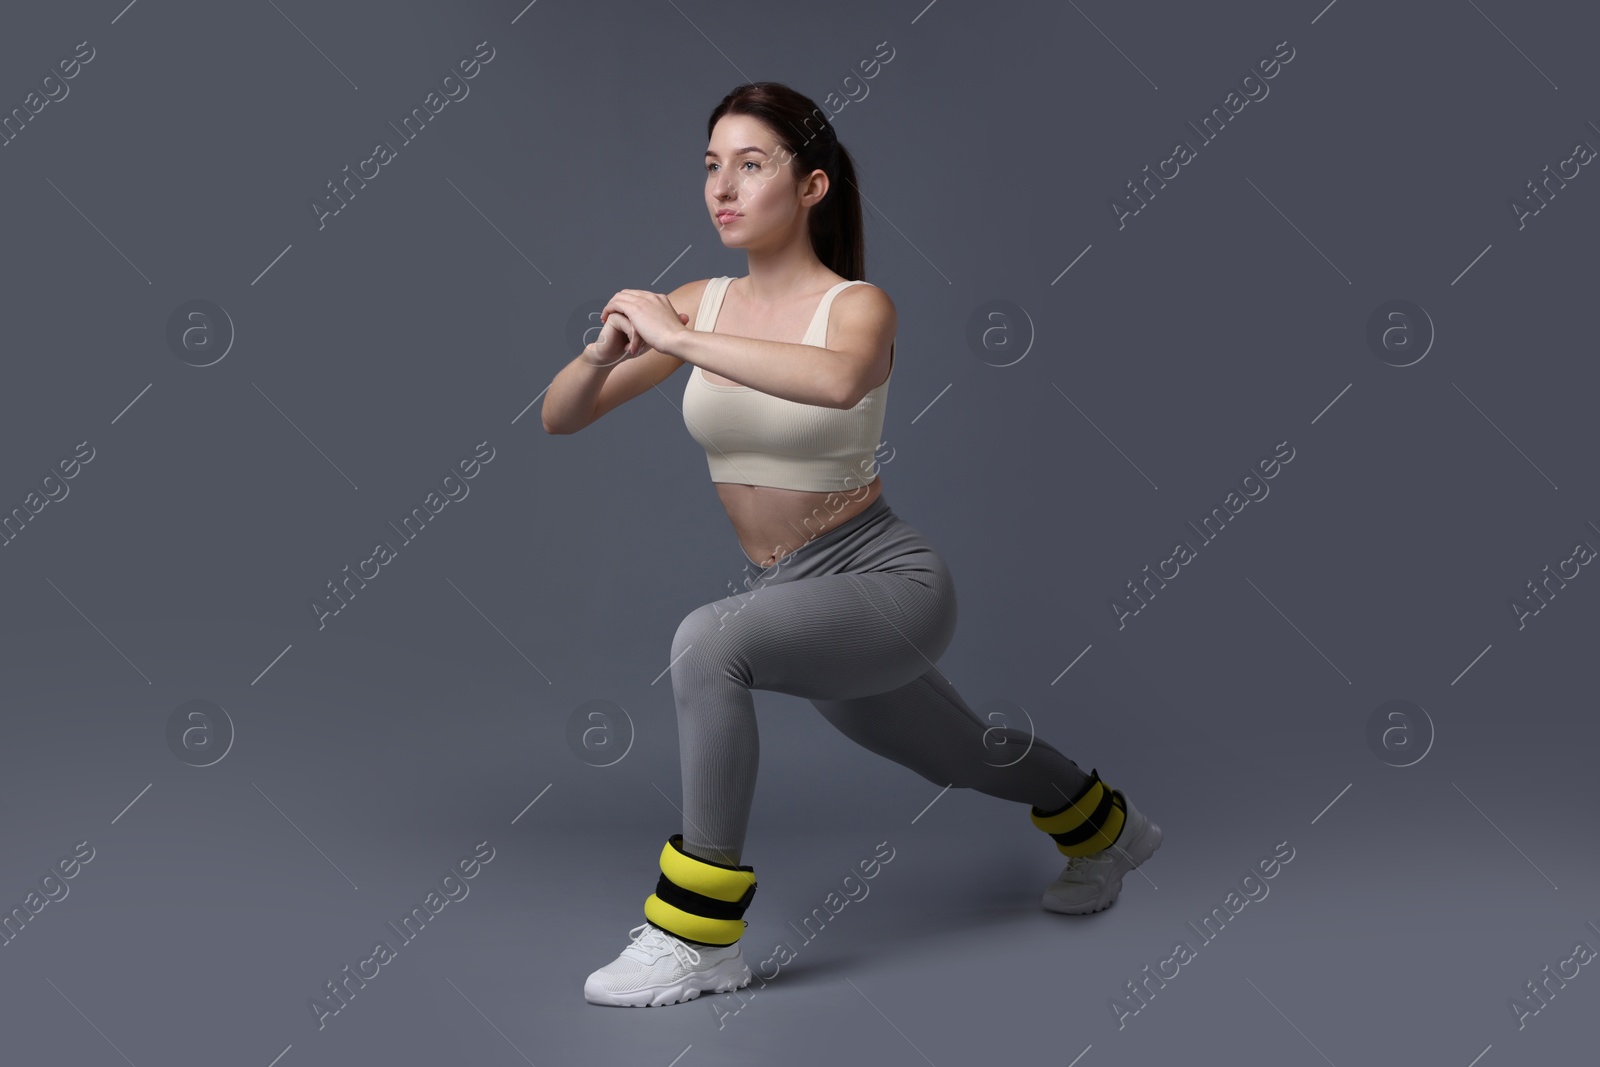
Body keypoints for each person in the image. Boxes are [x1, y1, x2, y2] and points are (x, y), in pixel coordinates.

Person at [541, 82, 1163, 1009]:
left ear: (813, 185)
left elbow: (833, 386)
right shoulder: (697, 303)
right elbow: (561, 418)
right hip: (793, 590)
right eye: (712, 166)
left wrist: (681, 338)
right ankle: (1108, 828)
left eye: (752, 165)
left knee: (708, 642)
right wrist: (603, 354)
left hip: (885, 578)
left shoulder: (858, 308)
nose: (723, 185)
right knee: (963, 754)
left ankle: (698, 935)